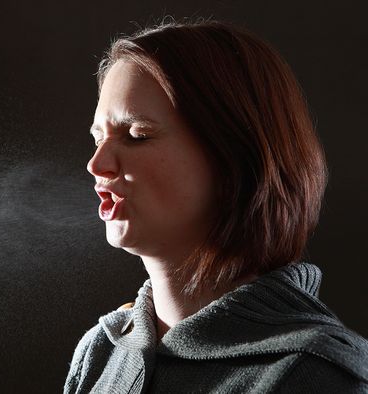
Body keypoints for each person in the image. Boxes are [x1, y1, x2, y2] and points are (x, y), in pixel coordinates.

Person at [64, 19, 368, 393]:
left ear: (235, 156)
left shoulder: (317, 377)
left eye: (136, 135)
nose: (97, 165)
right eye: (98, 139)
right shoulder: (101, 353)